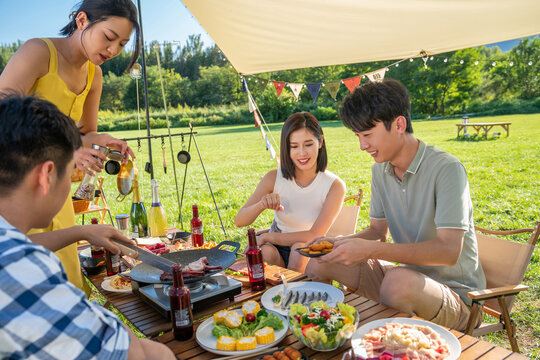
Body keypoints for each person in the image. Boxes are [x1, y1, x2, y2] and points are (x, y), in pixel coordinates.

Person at [0, 95, 175, 359]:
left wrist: (82, 231)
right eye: (70, 172)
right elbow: (124, 353)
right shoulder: (23, 269)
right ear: (46, 176)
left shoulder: (10, 246)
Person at [305, 79, 486, 331]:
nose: (362, 145)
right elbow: (377, 233)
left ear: (399, 124)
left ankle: (375, 338)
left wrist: (370, 251)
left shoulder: (447, 169)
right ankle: (329, 334)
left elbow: (448, 252)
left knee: (397, 282)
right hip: (404, 278)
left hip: (459, 298)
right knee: (319, 262)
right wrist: (339, 243)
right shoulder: (380, 170)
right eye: (358, 136)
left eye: (367, 134)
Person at [0, 0, 139, 294]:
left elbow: (83, 134)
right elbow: (4, 121)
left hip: (55, 192)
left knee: (64, 279)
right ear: (82, 20)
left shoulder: (94, 74)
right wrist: (67, 151)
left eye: (123, 44)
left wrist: (101, 141)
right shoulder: (38, 52)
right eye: (109, 37)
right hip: (17, 189)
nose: (114, 50)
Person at [235, 112, 346, 273]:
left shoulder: (334, 185)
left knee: (298, 250)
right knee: (264, 252)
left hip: (308, 251)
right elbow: (240, 220)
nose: (302, 153)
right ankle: (271, 294)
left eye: (308, 144)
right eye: (294, 146)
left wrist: (267, 237)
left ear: (320, 142)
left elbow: (314, 234)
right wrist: (261, 204)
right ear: (286, 148)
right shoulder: (274, 177)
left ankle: (295, 294)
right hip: (275, 249)